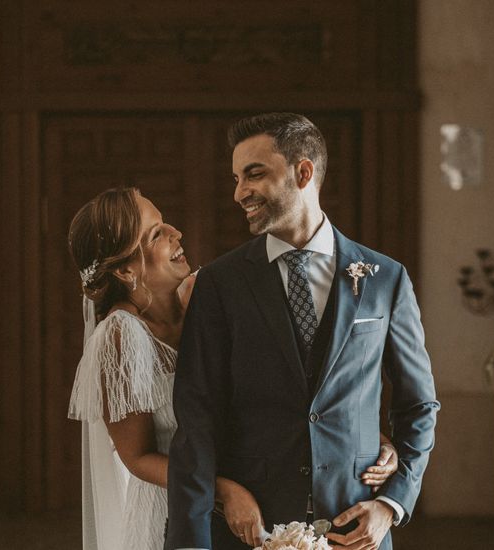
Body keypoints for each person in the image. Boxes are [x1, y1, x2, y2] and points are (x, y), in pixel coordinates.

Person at [67, 187, 399, 550]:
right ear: (127, 269)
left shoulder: (208, 292)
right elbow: (137, 456)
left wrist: (360, 439)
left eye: (165, 223)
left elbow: (277, 384)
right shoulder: (120, 336)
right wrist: (222, 490)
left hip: (258, 491)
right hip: (175, 505)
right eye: (156, 233)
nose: (175, 233)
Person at [165, 113, 440, 550]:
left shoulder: (385, 278)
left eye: (254, 174)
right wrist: (188, 543)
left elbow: (419, 404)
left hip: (357, 530)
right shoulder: (220, 283)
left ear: (303, 171)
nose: (239, 193)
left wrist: (391, 503)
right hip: (248, 532)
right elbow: (196, 420)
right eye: (236, 178)